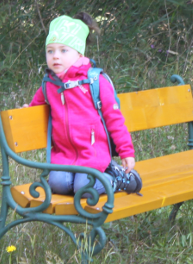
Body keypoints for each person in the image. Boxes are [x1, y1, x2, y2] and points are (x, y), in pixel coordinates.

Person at [27, 14, 141, 197]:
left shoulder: (95, 81)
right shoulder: (49, 84)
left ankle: (118, 178)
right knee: (58, 184)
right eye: (50, 51)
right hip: (64, 157)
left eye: (63, 50)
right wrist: (27, 112)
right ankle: (82, 180)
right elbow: (35, 108)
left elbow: (114, 119)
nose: (55, 56)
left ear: (79, 53)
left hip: (93, 156)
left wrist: (126, 151)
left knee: (85, 188)